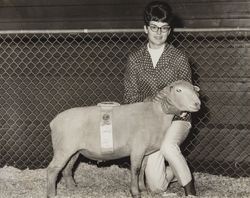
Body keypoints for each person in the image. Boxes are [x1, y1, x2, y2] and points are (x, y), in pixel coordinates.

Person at [123, 1, 197, 196]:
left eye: (164, 28)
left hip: (178, 119)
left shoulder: (179, 58)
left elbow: (188, 97)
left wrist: (171, 106)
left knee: (167, 147)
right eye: (154, 27)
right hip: (149, 123)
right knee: (156, 187)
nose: (158, 32)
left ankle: (191, 191)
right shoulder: (135, 59)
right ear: (145, 28)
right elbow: (130, 97)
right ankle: (179, 169)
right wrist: (153, 100)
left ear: (169, 31)